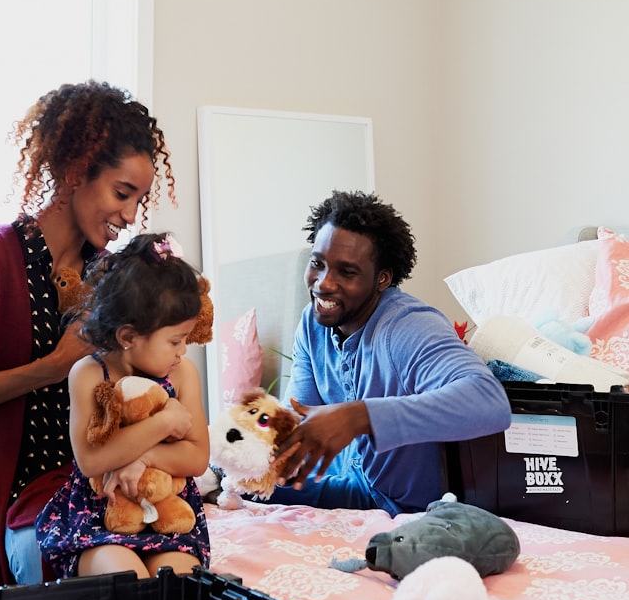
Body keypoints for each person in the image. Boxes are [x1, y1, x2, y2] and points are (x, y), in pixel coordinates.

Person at [0, 81, 176, 600]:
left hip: (53, 500)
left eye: (138, 200)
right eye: (122, 193)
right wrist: (50, 367)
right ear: (76, 173)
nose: (129, 216)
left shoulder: (106, 277)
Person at [268, 189, 511, 515]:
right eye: (318, 264)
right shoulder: (311, 327)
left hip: (411, 510)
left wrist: (359, 417)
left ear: (382, 279)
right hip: (351, 491)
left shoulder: (408, 327)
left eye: (347, 272)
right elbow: (298, 420)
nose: (324, 284)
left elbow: (489, 402)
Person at [36, 232, 212, 580]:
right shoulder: (88, 374)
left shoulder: (182, 375)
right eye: (175, 341)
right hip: (101, 517)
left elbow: (197, 458)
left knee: (178, 586)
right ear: (128, 337)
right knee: (125, 580)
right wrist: (164, 423)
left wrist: (141, 457)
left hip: (170, 520)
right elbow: (92, 461)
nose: (183, 351)